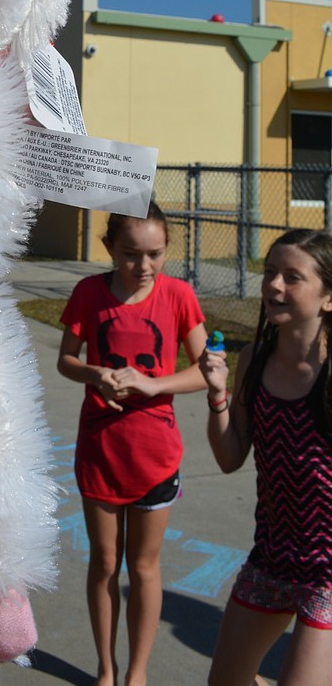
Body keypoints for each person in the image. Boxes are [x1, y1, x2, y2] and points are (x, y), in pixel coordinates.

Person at [57, 202, 207, 686]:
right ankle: (106, 668)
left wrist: (152, 384)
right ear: (109, 249)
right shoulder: (88, 293)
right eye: (130, 255)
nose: (143, 267)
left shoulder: (179, 294)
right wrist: (95, 374)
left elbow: (204, 370)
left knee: (144, 566)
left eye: (155, 255)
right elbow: (66, 360)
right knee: (104, 562)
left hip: (156, 456)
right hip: (101, 450)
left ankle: (137, 672)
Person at [199, 229, 332, 686]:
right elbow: (231, 456)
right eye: (270, 272)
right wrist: (217, 396)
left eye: (292, 277)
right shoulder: (255, 360)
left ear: (328, 298)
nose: (274, 285)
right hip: (272, 558)